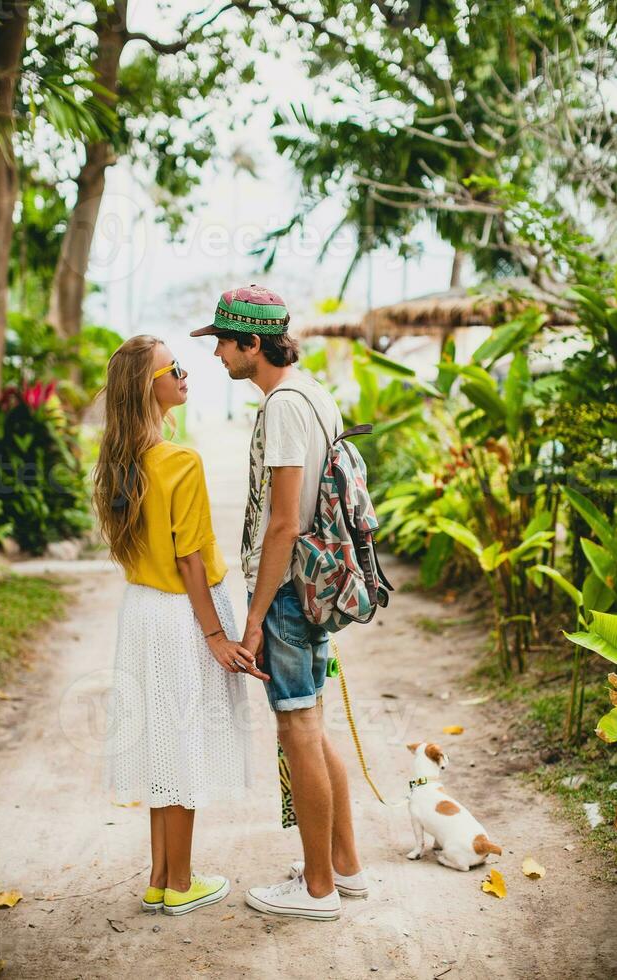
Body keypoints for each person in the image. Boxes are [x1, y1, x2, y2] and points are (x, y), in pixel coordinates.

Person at [190, 285, 368, 921]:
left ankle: (317, 889)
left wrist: (255, 617)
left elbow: (283, 523)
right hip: (309, 588)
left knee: (297, 729)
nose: (216, 357)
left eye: (222, 344)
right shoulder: (310, 391)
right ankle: (344, 869)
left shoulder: (285, 406)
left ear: (253, 344)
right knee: (311, 726)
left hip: (292, 594)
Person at [94, 334, 267, 918]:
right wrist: (217, 633)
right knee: (182, 746)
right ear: (151, 387)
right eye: (176, 368)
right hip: (181, 617)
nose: (186, 374)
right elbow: (191, 557)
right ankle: (182, 882)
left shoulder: (120, 461)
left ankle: (159, 877)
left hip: (142, 612)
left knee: (161, 745)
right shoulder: (178, 459)